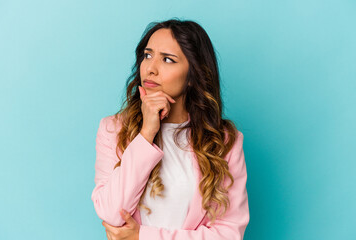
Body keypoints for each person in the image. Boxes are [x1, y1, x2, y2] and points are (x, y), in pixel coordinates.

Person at [91, 18, 250, 240]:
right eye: (148, 55)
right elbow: (111, 213)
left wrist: (143, 237)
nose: (151, 69)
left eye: (167, 59)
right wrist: (146, 134)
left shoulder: (224, 141)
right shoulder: (113, 130)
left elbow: (229, 234)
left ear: (194, 75)